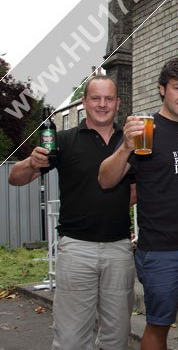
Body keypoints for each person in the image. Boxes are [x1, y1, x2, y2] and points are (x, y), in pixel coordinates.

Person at [98, 56, 178, 350]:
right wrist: (126, 148)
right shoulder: (144, 129)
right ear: (162, 89)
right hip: (161, 249)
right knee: (158, 324)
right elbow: (105, 180)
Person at [8, 76, 135, 350]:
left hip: (119, 249)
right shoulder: (63, 140)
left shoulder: (132, 142)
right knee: (71, 339)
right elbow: (15, 178)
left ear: (118, 102)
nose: (102, 104)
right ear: (84, 102)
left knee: (117, 337)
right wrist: (32, 161)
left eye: (109, 98)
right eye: (96, 98)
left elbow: (138, 190)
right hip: (77, 249)